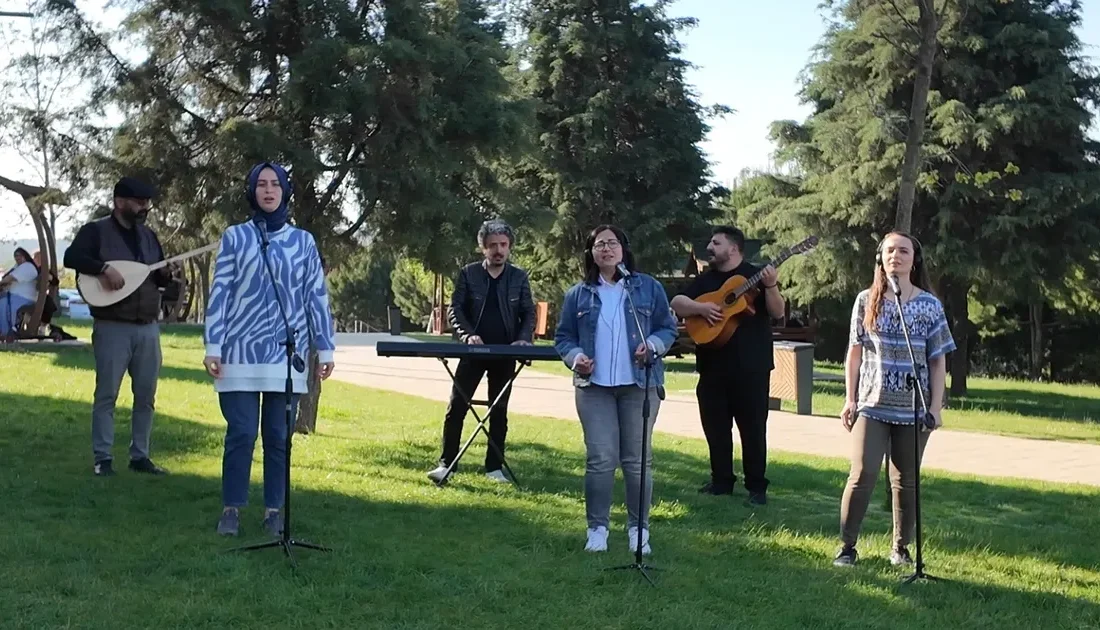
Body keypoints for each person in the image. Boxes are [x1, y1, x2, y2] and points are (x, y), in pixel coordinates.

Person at [202, 161, 337, 537]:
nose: (268, 190)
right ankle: (232, 508)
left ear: (285, 191)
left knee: (278, 436)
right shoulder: (235, 237)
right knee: (242, 432)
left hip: (286, 354)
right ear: (252, 191)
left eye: (275, 184)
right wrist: (213, 345)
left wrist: (325, 349)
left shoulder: (303, 242)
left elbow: (316, 297)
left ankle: (274, 511)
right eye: (260, 184)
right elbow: (220, 293)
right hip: (239, 352)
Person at [553, 225, 678, 554]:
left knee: (637, 461)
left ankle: (639, 530)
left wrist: (653, 345)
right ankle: (597, 530)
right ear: (591, 253)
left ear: (624, 249)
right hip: (594, 389)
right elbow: (563, 337)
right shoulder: (578, 294)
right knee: (600, 459)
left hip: (639, 386)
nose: (606, 249)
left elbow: (667, 327)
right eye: (599, 245)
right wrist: (575, 357)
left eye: (612, 243)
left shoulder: (647, 287)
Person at [833, 231, 955, 567]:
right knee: (862, 474)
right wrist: (849, 399)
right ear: (880, 258)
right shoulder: (865, 300)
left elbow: (938, 360)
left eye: (903, 251)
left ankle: (901, 548)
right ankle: (847, 546)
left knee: (905, 481)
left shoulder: (929, 305)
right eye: (889, 251)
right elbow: (854, 354)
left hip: (914, 408)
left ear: (914, 260)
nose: (895, 256)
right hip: (872, 405)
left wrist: (935, 407)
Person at [64, 176, 172, 477]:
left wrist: (167, 274)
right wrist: (103, 269)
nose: (144, 208)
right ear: (119, 202)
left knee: (146, 396)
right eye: (139, 202)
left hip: (147, 326)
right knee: (107, 394)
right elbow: (71, 257)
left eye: (147, 203)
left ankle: (140, 456)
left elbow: (157, 276)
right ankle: (103, 458)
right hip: (112, 325)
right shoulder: (96, 231)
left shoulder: (148, 236)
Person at [670, 225, 785, 505]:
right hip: (712, 366)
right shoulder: (707, 280)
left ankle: (756, 487)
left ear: (733, 248)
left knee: (753, 429)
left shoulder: (756, 275)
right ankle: (721, 481)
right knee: (715, 428)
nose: (709, 247)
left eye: (716, 243)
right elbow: (677, 302)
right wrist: (701, 308)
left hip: (752, 367)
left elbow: (777, 312)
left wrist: (771, 285)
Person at [427, 219, 536, 484]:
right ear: (483, 248)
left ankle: (494, 468)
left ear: (509, 247)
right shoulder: (469, 273)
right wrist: (468, 336)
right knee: (456, 407)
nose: (499, 250)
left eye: (503, 245)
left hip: (505, 353)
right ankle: (447, 465)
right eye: (493, 245)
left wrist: (523, 340)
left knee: (499, 411)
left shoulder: (519, 277)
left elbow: (528, 312)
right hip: (473, 351)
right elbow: (456, 310)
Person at [0, 248, 40, 340]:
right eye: (15, 256)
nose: (17, 258)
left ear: (25, 256)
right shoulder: (19, 267)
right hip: (16, 296)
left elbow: (8, 279)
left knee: (2, 304)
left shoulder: (27, 266)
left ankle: (5, 332)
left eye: (19, 255)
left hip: (23, 298)